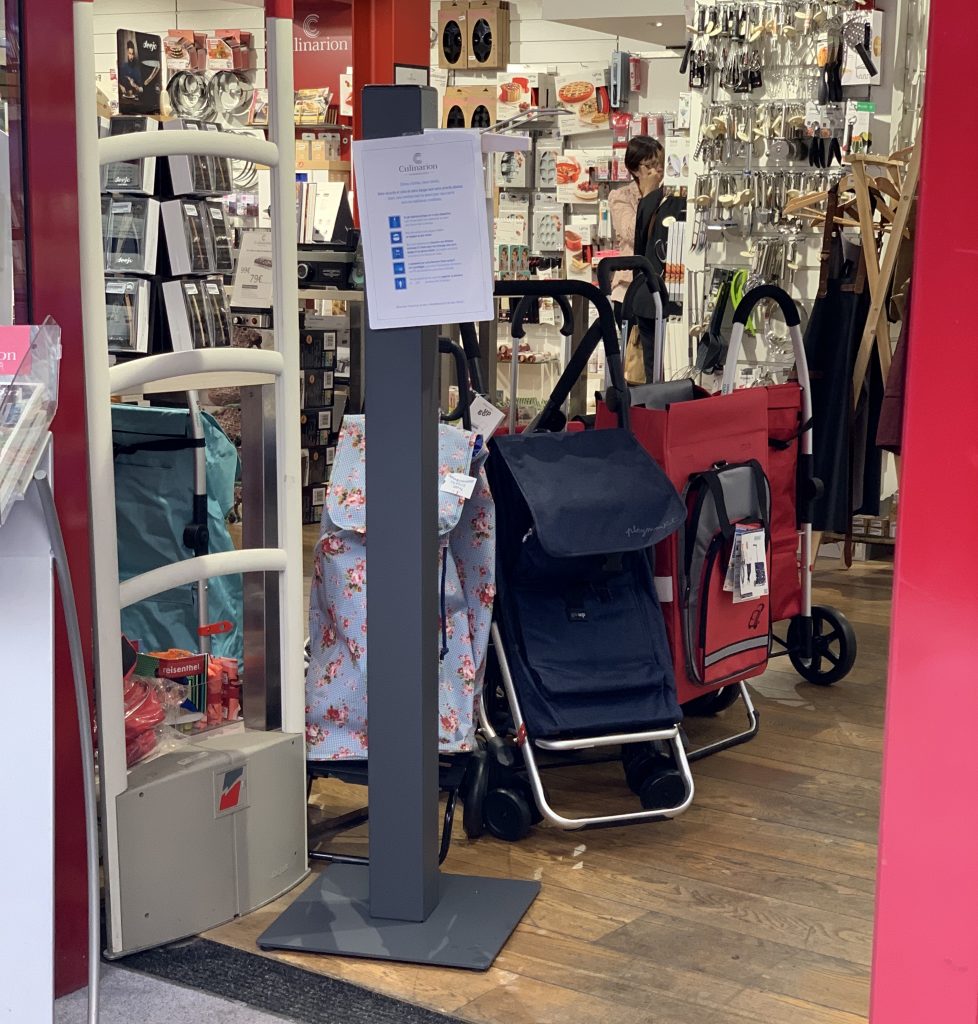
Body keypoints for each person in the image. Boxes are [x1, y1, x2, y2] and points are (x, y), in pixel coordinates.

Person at [623, 136, 684, 383]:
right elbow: (632, 235)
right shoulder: (624, 196)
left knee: (669, 365)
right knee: (651, 366)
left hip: (663, 288)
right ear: (635, 168)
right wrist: (648, 195)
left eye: (660, 163)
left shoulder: (669, 198)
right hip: (639, 290)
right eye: (650, 165)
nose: (657, 170)